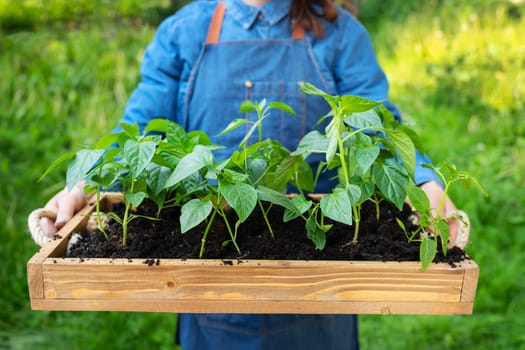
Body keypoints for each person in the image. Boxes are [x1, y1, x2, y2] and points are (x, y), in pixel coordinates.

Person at [37, 1, 461, 349]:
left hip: (321, 278)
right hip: (206, 278)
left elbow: (378, 124)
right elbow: (139, 130)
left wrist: (427, 184)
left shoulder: (340, 35)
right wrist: (82, 186)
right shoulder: (184, 33)